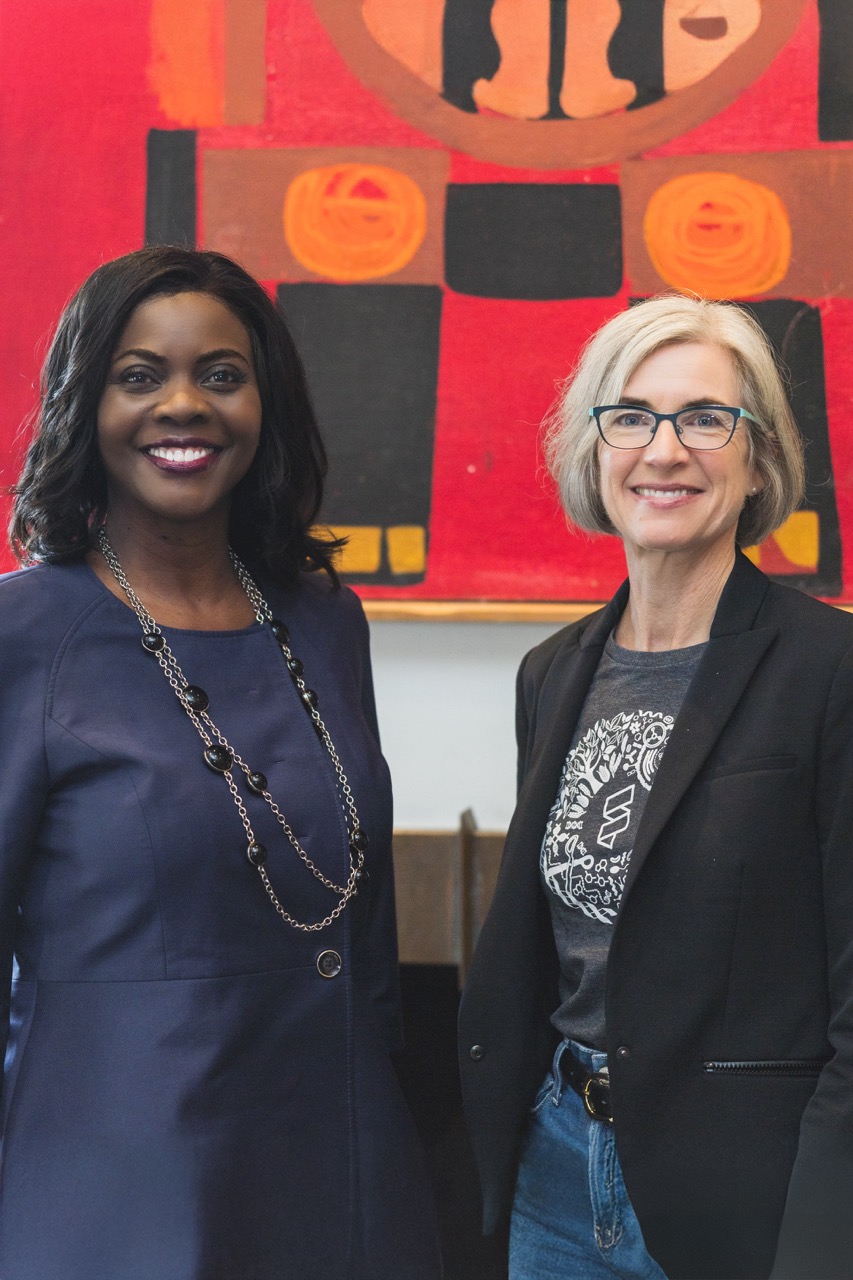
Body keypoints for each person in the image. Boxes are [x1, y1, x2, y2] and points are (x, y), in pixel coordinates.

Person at [0, 246, 441, 1280]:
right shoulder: (24, 633)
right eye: (140, 374)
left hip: (340, 1162)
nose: (185, 404)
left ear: (265, 402)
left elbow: (358, 916)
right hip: (116, 1181)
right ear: (86, 402)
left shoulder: (325, 618)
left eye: (222, 375)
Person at [459, 294, 853, 1280]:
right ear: (595, 449)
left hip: (743, 1198)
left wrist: (818, 1240)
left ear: (757, 457)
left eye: (704, 418)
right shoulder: (552, 672)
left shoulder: (830, 666)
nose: (663, 449)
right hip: (554, 1175)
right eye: (629, 415)